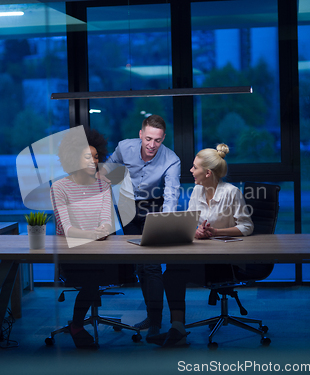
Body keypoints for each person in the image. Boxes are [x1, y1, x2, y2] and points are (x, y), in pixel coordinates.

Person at [148, 143, 255, 347]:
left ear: (207, 172)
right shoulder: (197, 190)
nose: (190, 170)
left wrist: (216, 232)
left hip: (227, 263)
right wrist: (197, 230)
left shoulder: (231, 193)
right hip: (203, 256)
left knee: (175, 272)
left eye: (194, 167)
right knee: (172, 272)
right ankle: (177, 328)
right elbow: (192, 221)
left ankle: (177, 329)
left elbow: (246, 226)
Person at [99, 114, 181, 339]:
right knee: (140, 266)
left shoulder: (171, 159)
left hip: (154, 208)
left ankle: (155, 320)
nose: (152, 145)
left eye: (157, 140)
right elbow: (108, 167)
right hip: (127, 207)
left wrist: (163, 225)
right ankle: (150, 314)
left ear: (163, 138)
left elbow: (171, 194)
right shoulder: (125, 147)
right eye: (148, 139)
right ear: (140, 135)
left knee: (152, 264)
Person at [50, 126, 113, 349]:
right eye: (87, 157)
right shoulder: (59, 188)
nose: (93, 162)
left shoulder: (104, 185)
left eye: (96, 157)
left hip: (99, 250)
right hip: (72, 253)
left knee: (105, 272)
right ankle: (77, 325)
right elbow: (66, 229)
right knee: (91, 280)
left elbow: (107, 221)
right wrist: (94, 234)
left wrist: (102, 230)